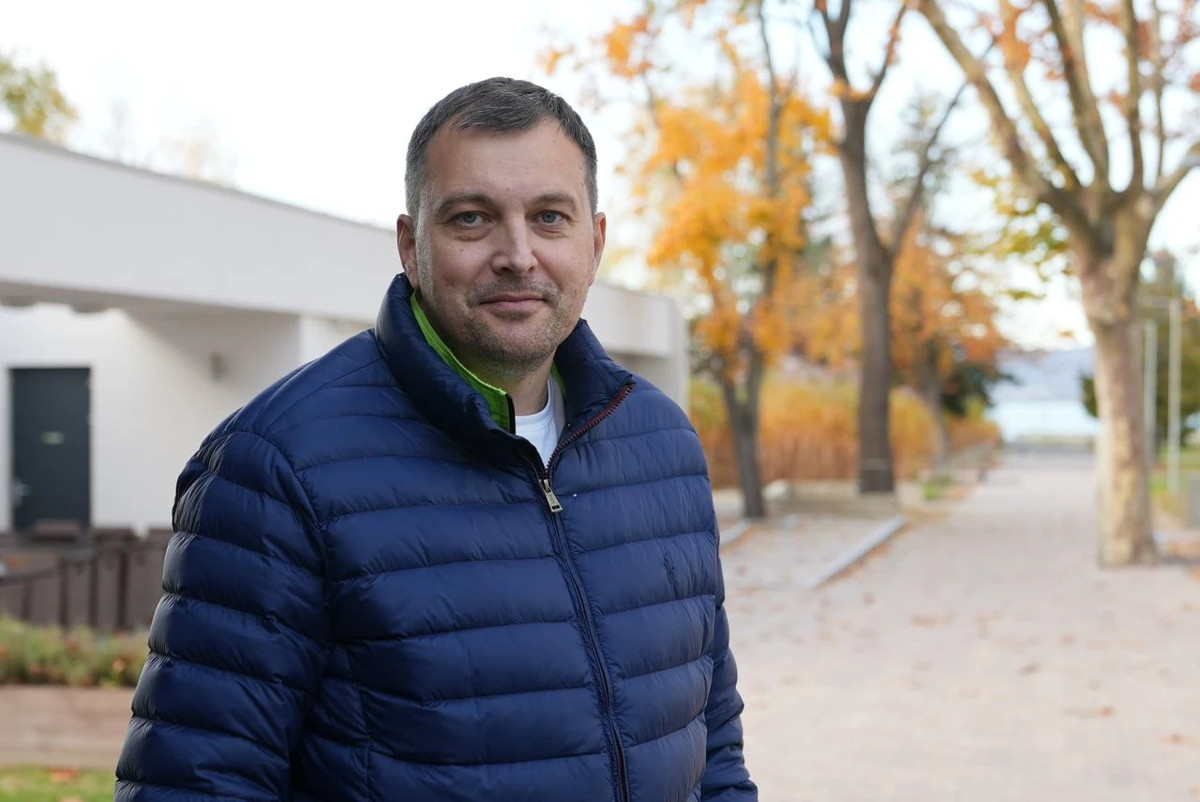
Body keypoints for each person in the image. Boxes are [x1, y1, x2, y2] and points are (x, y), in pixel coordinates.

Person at [115, 77, 757, 802]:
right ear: (411, 246)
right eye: (472, 219)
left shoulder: (662, 445)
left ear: (595, 241)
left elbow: (714, 747)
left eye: (549, 217)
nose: (518, 255)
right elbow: (196, 784)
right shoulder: (275, 467)